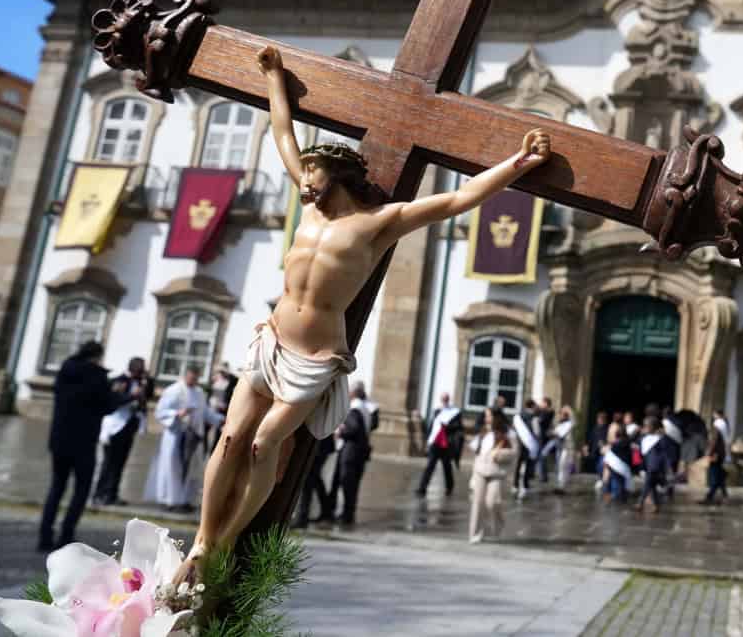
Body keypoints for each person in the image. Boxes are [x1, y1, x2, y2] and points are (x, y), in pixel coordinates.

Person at [177, 44, 550, 582]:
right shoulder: (307, 207)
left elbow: (456, 202)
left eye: (315, 173)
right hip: (272, 338)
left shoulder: (378, 222)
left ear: (340, 176)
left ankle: (228, 541)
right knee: (231, 438)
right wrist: (276, 78)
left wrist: (520, 163)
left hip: (313, 356)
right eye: (304, 173)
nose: (304, 180)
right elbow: (284, 133)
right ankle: (201, 543)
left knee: (263, 444)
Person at [39, 341, 137, 552]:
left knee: (56, 487)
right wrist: (123, 395)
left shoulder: (65, 370)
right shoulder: (96, 376)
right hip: (83, 442)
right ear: (97, 356)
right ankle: (66, 534)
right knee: (81, 489)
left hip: (59, 439)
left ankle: (44, 536)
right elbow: (106, 405)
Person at [144, 365, 223, 511]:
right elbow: (160, 411)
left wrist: (220, 419)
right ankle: (170, 500)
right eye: (191, 376)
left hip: (193, 436)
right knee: (173, 467)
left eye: (196, 377)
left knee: (190, 468)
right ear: (185, 375)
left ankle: (185, 499)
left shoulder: (199, 393)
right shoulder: (173, 391)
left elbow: (205, 412)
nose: (193, 379)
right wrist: (177, 414)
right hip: (176, 435)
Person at [93, 357, 153, 506]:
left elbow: (149, 395)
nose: (140, 374)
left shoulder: (141, 382)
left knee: (120, 462)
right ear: (132, 369)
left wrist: (148, 381)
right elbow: (115, 401)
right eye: (139, 371)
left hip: (129, 426)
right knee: (108, 462)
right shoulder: (118, 381)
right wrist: (132, 395)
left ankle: (112, 493)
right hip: (115, 426)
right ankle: (100, 494)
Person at [468, 412, 516, 543]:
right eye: (486, 415)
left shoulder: (507, 434)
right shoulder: (483, 432)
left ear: (496, 417)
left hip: (496, 472)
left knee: (492, 502)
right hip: (480, 470)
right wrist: (473, 477)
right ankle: (475, 533)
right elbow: (476, 454)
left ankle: (498, 526)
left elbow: (513, 453)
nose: (486, 418)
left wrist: (499, 454)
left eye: (489, 415)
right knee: (477, 502)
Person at [334, 397, 372, 526]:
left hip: (350, 453)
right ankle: (348, 514)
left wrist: (341, 432)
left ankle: (347, 515)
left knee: (348, 485)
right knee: (353, 487)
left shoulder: (354, 410)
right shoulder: (365, 409)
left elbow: (353, 428)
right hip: (360, 453)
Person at [417, 392, 463, 497]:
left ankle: (449, 487)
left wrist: (448, 426)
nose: (444, 400)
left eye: (446, 399)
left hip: (446, 443)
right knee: (430, 466)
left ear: (449, 399)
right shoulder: (437, 411)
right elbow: (433, 426)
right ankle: (422, 488)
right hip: (435, 442)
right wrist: (428, 440)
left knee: (447, 466)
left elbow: (459, 427)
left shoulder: (455, 412)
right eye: (443, 399)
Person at [291, 434, 336, 528]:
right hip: (320, 446)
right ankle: (326, 512)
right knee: (315, 480)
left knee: (308, 481)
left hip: (319, 447)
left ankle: (302, 518)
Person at [636, 417, 669, 513]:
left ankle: (640, 502)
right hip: (648, 466)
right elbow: (642, 454)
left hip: (655, 466)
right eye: (644, 426)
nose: (645, 428)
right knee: (652, 486)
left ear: (653, 427)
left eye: (647, 426)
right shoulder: (644, 438)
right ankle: (656, 505)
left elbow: (664, 454)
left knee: (647, 484)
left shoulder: (659, 439)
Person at [513, 400, 541, 498]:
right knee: (528, 465)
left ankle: (515, 485)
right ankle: (525, 486)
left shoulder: (518, 416)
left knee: (518, 464)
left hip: (520, 443)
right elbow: (537, 432)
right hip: (530, 444)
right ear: (532, 406)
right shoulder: (534, 417)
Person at [603, 419, 632, 504]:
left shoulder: (617, 444)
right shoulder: (627, 442)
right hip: (623, 466)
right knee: (620, 482)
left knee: (616, 482)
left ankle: (615, 497)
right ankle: (619, 497)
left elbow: (609, 451)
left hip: (616, 465)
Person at [550, 405, 576, 492]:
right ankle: (560, 485)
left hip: (567, 448)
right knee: (559, 467)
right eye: (560, 414)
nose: (561, 416)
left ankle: (562, 486)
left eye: (563, 414)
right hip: (560, 447)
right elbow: (555, 431)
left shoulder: (569, 423)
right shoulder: (560, 423)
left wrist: (568, 409)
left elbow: (559, 433)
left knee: (563, 466)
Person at [701, 428, 728, 505]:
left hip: (715, 466)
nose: (709, 437)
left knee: (715, 483)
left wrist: (708, 458)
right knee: (720, 482)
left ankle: (709, 497)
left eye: (710, 436)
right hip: (716, 466)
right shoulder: (718, 445)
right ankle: (724, 496)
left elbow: (715, 458)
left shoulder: (717, 446)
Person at [587, 411, 610, 476]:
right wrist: (587, 447)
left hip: (603, 450)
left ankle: (602, 478)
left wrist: (604, 443)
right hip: (595, 450)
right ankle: (600, 477)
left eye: (601, 419)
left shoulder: (607, 428)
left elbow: (609, 439)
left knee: (601, 465)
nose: (599, 420)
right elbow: (591, 438)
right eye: (599, 418)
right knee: (597, 465)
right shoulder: (595, 428)